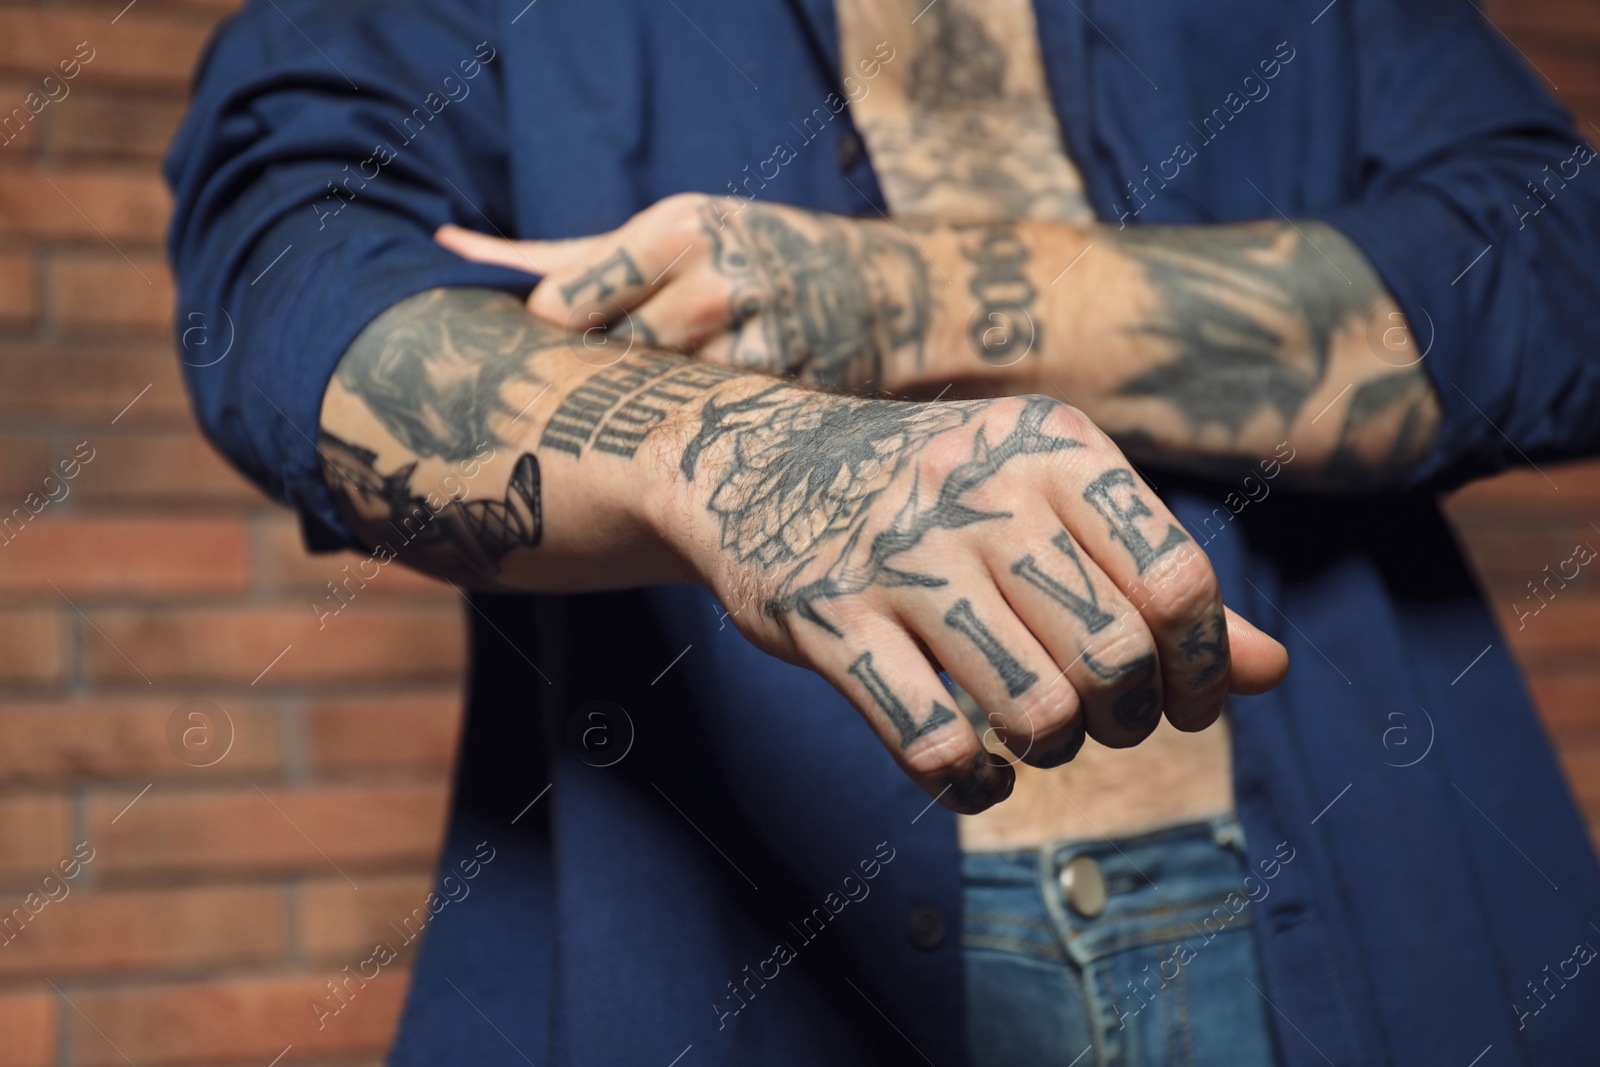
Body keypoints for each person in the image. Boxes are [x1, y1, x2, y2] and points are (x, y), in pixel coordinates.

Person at [166, 0, 1600, 1063]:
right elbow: (293, 281)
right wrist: (749, 453)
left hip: (1361, 919)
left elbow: (1557, 268)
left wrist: (888, 299)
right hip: (751, 971)